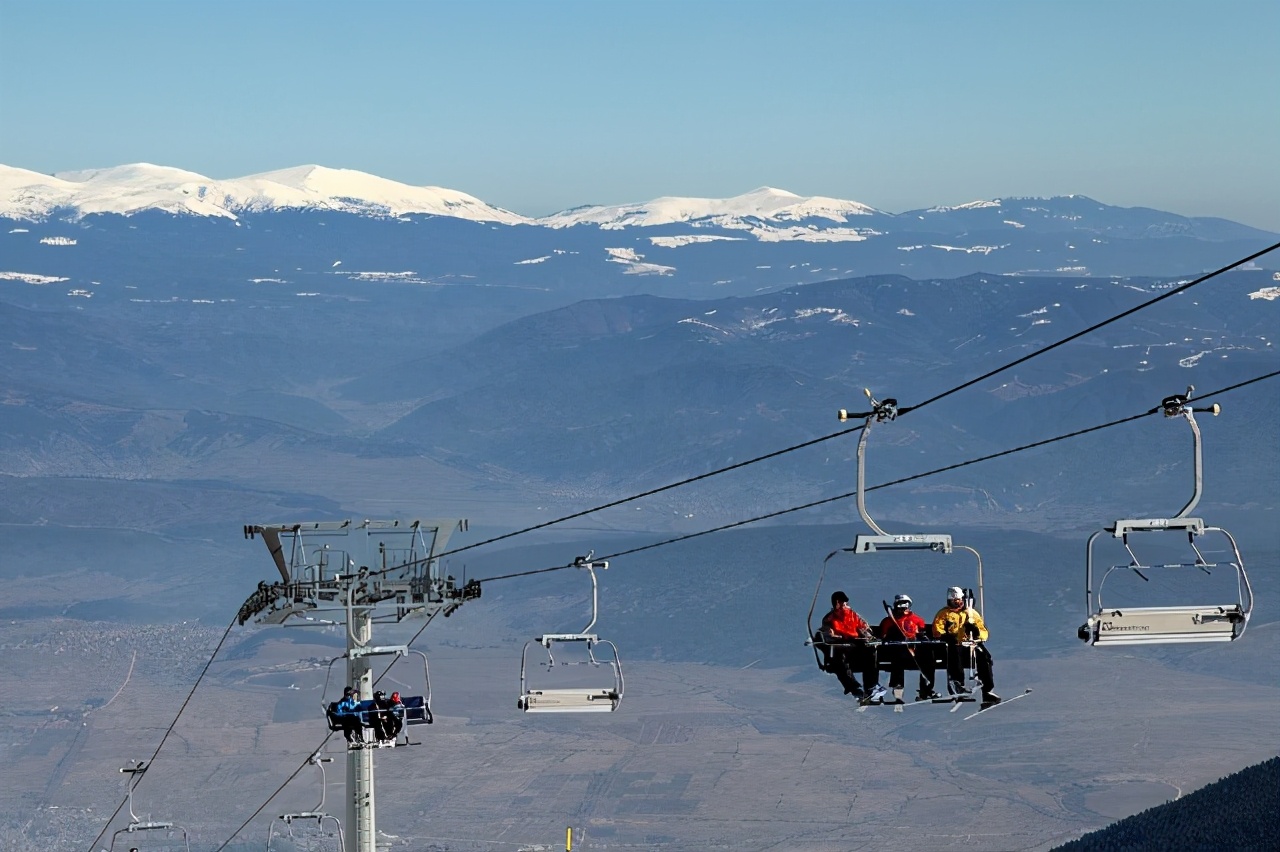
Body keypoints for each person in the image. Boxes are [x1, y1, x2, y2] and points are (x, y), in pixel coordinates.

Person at [931, 586, 999, 705]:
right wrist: (946, 636)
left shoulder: (971, 614)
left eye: (958, 600)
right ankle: (958, 684)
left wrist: (976, 632)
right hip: (953, 645)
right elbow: (937, 629)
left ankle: (988, 690)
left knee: (984, 657)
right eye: (953, 600)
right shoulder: (944, 613)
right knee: (955, 653)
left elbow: (983, 631)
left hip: (969, 644)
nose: (956, 602)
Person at [819, 590, 883, 702]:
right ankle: (855, 688)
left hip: (856, 644)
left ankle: (871, 687)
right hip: (842, 645)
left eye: (845, 603)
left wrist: (868, 636)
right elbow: (827, 634)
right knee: (838, 659)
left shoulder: (853, 615)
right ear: (836, 604)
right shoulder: (830, 618)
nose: (844, 606)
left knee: (870, 651)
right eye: (841, 603)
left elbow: (864, 626)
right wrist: (834, 637)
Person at [878, 593, 941, 702]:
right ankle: (898, 686)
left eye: (905, 605)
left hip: (913, 650)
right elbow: (882, 637)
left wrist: (922, 637)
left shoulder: (917, 619)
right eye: (900, 605)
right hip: (897, 651)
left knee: (928, 658)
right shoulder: (888, 621)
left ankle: (926, 689)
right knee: (898, 655)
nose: (903, 608)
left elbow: (922, 634)